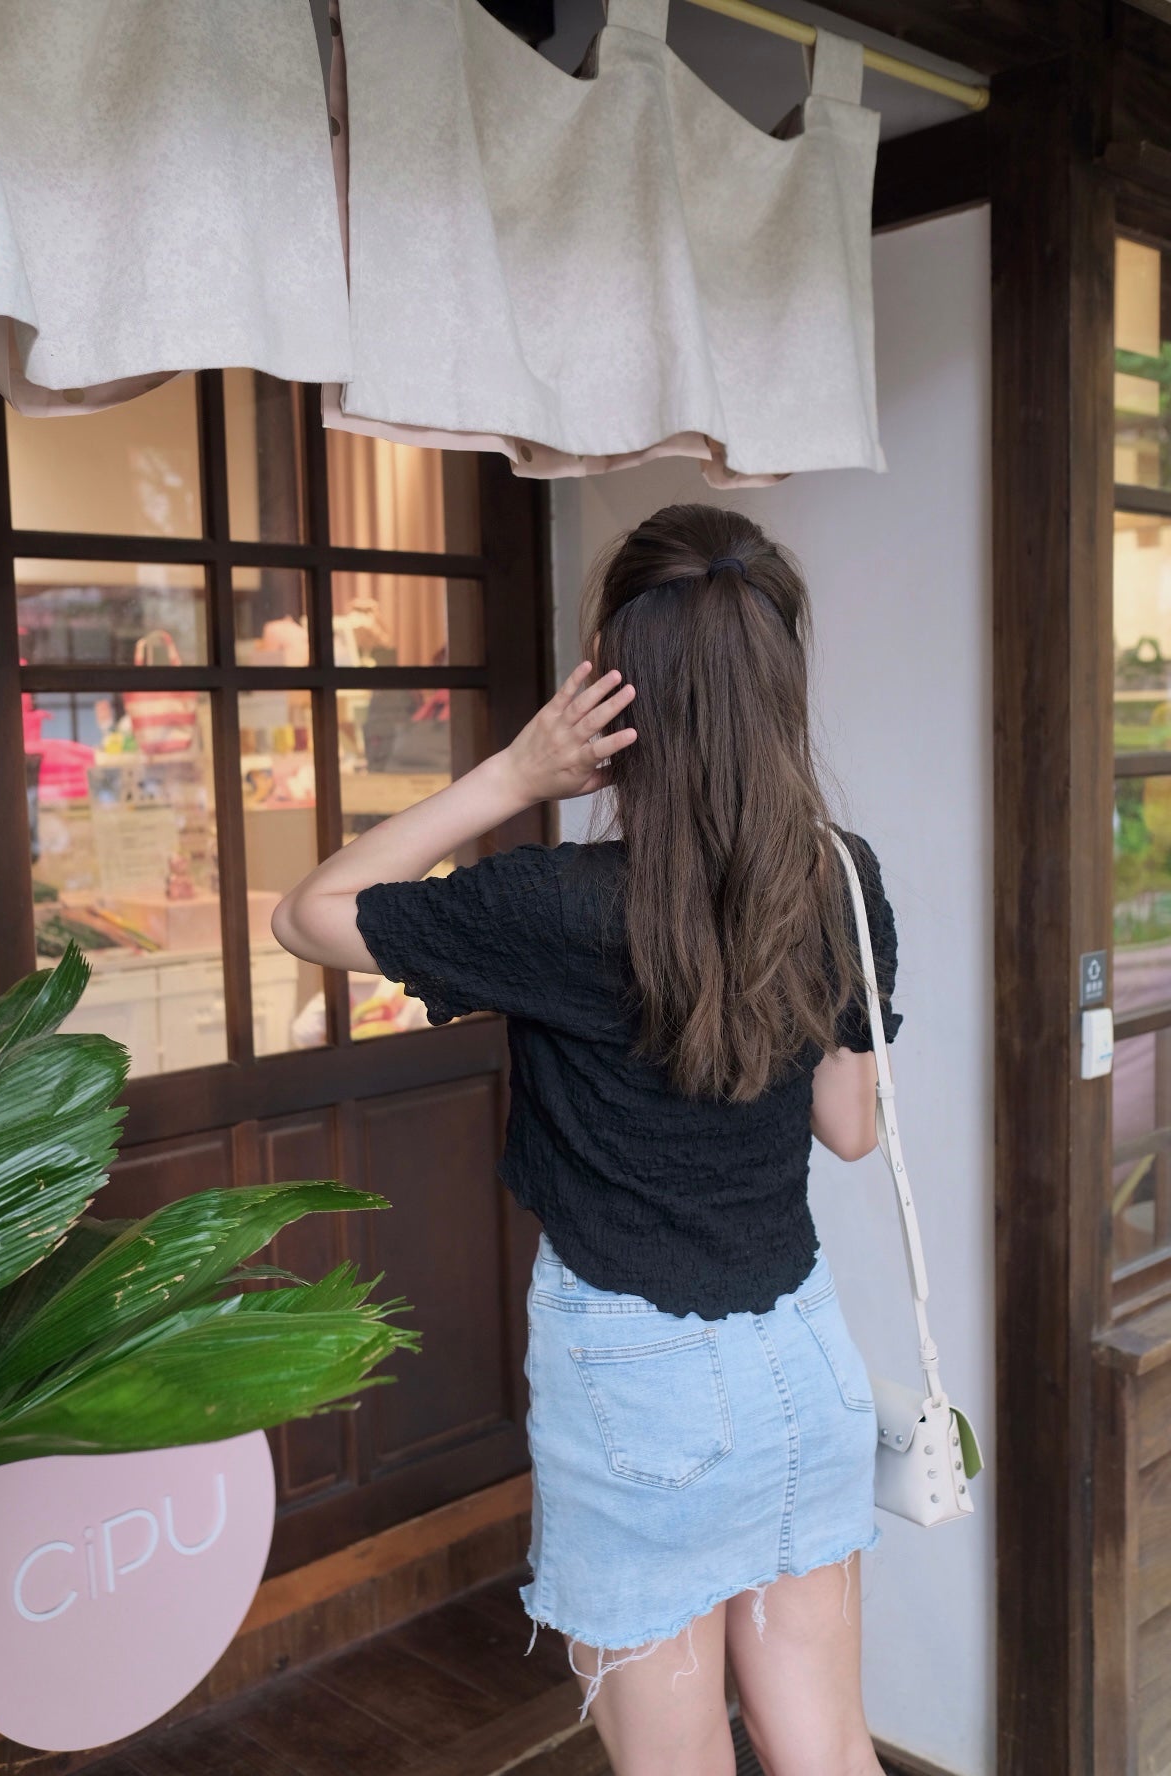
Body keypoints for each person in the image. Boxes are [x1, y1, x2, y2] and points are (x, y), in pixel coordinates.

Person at [271, 503, 901, 1776]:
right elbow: (847, 1128)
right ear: (779, 682)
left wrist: (510, 775)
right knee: (827, 1749)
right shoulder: (839, 875)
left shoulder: (553, 910)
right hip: (803, 1362)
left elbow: (308, 913)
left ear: (615, 690)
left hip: (635, 1383)